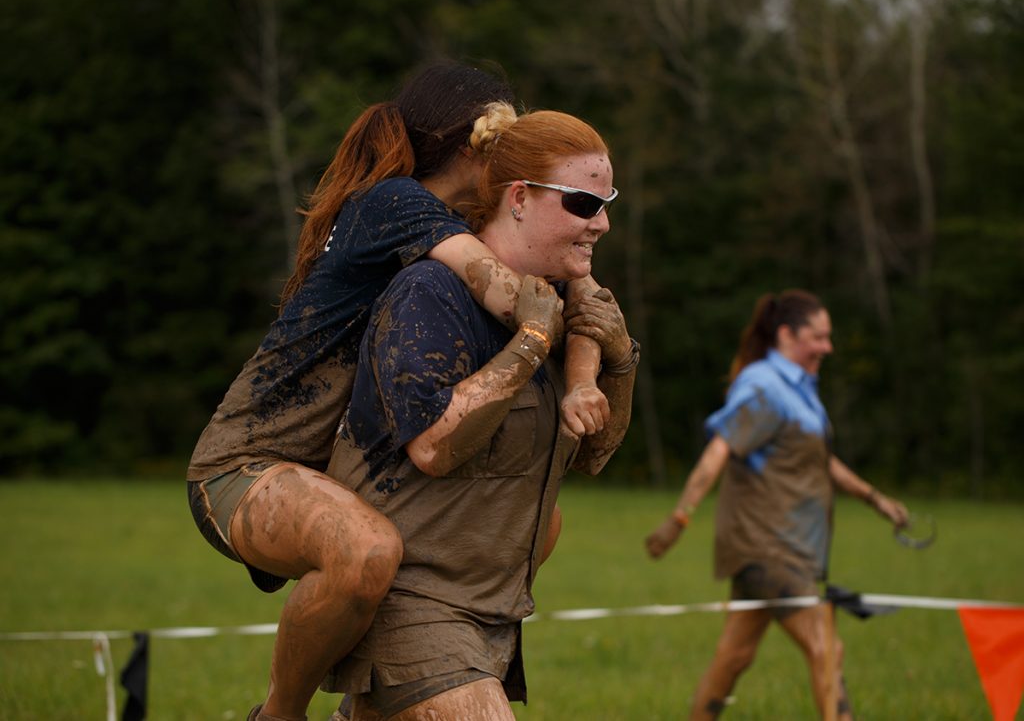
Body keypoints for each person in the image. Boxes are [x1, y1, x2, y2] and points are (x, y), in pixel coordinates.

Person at [186, 62, 607, 721]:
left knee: (534, 517)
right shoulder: (397, 201)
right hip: (247, 463)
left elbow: (566, 291)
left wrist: (583, 329)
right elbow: (514, 294)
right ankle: (280, 715)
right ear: (476, 144)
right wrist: (555, 301)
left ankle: (367, 707)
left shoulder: (451, 219)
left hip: (331, 469)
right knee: (366, 552)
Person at [321, 104, 637, 720]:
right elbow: (434, 446)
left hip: (491, 611)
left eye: (607, 203)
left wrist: (617, 364)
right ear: (518, 197)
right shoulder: (429, 295)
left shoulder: (569, 302)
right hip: (412, 605)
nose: (601, 224)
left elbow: (595, 456)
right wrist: (530, 344)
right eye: (582, 203)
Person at [645, 289, 909, 721]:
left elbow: (820, 461)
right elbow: (718, 451)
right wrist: (680, 516)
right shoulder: (764, 387)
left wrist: (875, 499)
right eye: (819, 337)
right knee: (826, 647)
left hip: (787, 548)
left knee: (734, 656)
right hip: (770, 549)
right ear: (787, 334)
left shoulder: (800, 391)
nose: (828, 347)